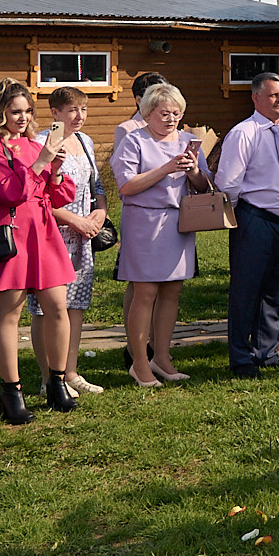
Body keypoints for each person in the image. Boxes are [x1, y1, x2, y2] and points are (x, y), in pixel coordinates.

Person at [0, 81, 81, 420]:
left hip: (44, 230)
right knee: (10, 312)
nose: (22, 117)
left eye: (27, 111)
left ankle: (57, 382)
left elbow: (59, 196)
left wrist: (57, 171)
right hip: (12, 229)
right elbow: (8, 192)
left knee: (57, 307)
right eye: (15, 111)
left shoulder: (36, 145)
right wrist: (42, 163)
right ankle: (12, 391)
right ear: (0, 112)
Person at [111, 83, 214, 386]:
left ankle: (163, 357)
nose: (171, 119)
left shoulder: (189, 141)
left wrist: (194, 171)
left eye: (176, 113)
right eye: (164, 113)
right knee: (145, 293)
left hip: (178, 222)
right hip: (144, 221)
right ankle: (139, 361)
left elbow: (204, 186)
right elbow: (127, 186)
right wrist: (167, 168)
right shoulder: (134, 141)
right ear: (148, 112)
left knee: (172, 291)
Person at [216, 72, 279, 377]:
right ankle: (241, 358)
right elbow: (227, 183)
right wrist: (244, 218)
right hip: (255, 220)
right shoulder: (245, 133)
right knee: (246, 291)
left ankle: (266, 353)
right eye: (272, 95)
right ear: (255, 98)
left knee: (274, 291)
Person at [28, 86, 107, 398]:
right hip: (52, 231)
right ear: (55, 113)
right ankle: (48, 375)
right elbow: (39, 193)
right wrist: (75, 219)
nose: (79, 116)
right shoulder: (41, 143)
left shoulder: (85, 141)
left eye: (83, 110)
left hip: (83, 234)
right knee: (47, 307)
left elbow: (95, 182)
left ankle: (70, 371)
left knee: (75, 304)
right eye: (72, 110)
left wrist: (99, 212)